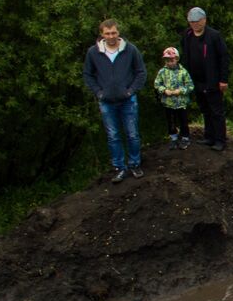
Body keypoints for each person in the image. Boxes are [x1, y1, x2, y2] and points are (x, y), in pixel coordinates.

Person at [82, 18, 147, 182]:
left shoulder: (130, 50)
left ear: (118, 33)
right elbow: (88, 75)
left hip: (128, 100)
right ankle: (119, 167)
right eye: (107, 33)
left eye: (114, 32)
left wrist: (131, 90)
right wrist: (98, 92)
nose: (111, 36)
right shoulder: (93, 52)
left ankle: (135, 164)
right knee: (113, 136)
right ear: (102, 35)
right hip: (106, 101)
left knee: (132, 134)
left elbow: (141, 72)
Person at [179, 6, 229, 151]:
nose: (194, 24)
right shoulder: (187, 35)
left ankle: (220, 140)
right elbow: (185, 54)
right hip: (195, 79)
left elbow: (224, 58)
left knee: (216, 111)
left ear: (204, 20)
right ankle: (209, 137)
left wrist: (223, 79)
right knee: (205, 109)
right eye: (191, 21)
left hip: (212, 80)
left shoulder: (214, 36)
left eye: (197, 21)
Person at [153, 47, 194, 150]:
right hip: (168, 102)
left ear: (177, 59)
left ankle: (185, 138)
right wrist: (164, 90)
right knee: (171, 122)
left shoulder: (183, 72)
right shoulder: (162, 72)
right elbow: (157, 84)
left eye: (171, 60)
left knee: (183, 121)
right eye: (167, 60)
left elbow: (190, 86)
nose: (169, 62)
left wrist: (180, 91)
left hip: (181, 102)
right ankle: (173, 139)